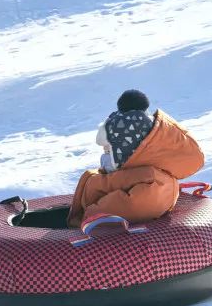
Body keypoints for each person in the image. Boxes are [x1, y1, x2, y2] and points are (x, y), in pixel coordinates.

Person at [68, 90, 204, 228]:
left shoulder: (111, 123)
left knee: (105, 162)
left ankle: (98, 215)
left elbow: (99, 140)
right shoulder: (154, 123)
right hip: (146, 165)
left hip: (118, 167)